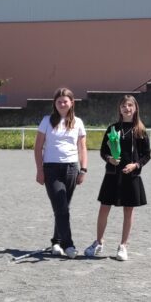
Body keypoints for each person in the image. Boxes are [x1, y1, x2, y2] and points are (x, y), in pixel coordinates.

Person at [85, 95, 151, 261]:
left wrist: (136, 165)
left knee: (128, 211)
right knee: (103, 208)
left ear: (135, 109)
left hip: (132, 176)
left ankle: (123, 246)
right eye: (123, 105)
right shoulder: (112, 129)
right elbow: (103, 151)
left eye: (130, 105)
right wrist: (110, 159)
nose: (127, 108)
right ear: (119, 109)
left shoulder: (140, 130)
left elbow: (146, 155)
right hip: (112, 176)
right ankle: (98, 242)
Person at [34, 87, 88, 258]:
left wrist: (83, 169)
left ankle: (56, 242)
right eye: (59, 101)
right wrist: (39, 170)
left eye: (65, 101)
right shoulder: (46, 121)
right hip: (51, 169)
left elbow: (82, 148)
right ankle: (68, 245)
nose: (62, 104)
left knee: (62, 208)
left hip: (72, 168)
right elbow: (37, 147)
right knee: (62, 208)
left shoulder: (78, 122)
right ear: (54, 104)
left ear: (72, 103)